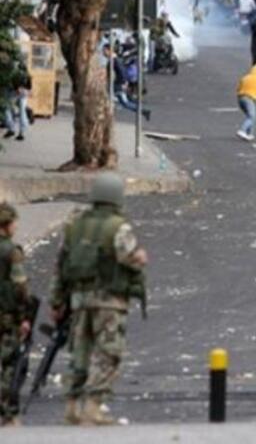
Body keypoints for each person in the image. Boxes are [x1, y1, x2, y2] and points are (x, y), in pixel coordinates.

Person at [50, 174, 148, 426]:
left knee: (79, 353)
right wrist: (140, 257)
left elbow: (61, 266)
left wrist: (56, 301)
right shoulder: (118, 227)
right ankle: (93, 407)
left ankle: (71, 407)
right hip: (109, 301)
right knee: (108, 353)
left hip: (79, 300)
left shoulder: (75, 225)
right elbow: (128, 256)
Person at [0, 203, 32, 427]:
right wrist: (24, 316)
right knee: (12, 364)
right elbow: (20, 287)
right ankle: (7, 412)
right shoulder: (12, 252)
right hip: (7, 316)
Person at [102, 44, 151, 121]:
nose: (103, 52)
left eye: (104, 50)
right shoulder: (114, 60)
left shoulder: (115, 61)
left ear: (109, 50)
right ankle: (143, 110)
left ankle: (143, 111)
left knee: (125, 103)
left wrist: (123, 82)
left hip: (117, 85)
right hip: (115, 84)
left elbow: (122, 72)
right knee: (123, 101)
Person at [2, 61, 31, 141]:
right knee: (22, 112)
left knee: (7, 108)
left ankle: (11, 127)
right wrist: (26, 91)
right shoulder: (27, 73)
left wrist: (17, 88)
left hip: (14, 92)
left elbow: (12, 83)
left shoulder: (13, 71)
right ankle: (22, 132)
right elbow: (29, 87)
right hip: (24, 93)